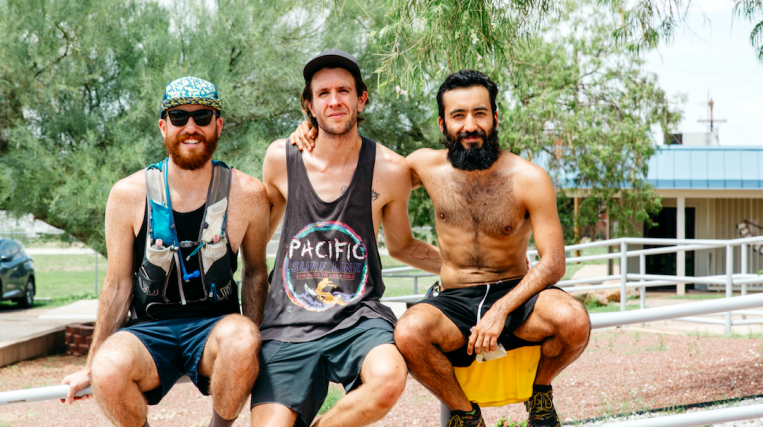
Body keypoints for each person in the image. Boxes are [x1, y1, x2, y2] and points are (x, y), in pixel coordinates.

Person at [291, 70, 591, 427]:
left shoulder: (529, 178)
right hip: (455, 299)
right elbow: (367, 163)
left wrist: (500, 309)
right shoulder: (423, 165)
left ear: (495, 117)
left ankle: (540, 394)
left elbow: (554, 263)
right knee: (408, 332)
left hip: (516, 293)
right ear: (442, 123)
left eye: (480, 113)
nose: (470, 125)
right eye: (458, 116)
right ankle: (465, 415)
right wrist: (311, 127)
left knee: (574, 321)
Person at [60, 76, 270, 427]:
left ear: (218, 125)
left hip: (215, 327)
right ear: (163, 126)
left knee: (243, 339)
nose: (191, 127)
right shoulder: (128, 194)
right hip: (148, 330)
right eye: (178, 117)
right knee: (107, 371)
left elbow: (255, 272)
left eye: (202, 117)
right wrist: (91, 364)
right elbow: (117, 284)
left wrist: (259, 347)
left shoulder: (248, 194)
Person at [253, 49, 442, 427]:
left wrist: (470, 266)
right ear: (309, 104)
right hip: (288, 323)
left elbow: (402, 245)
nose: (334, 100)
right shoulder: (281, 158)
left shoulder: (389, 169)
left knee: (388, 378)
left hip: (358, 317)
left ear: (362, 98)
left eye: (344, 90)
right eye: (323, 93)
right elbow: (255, 245)